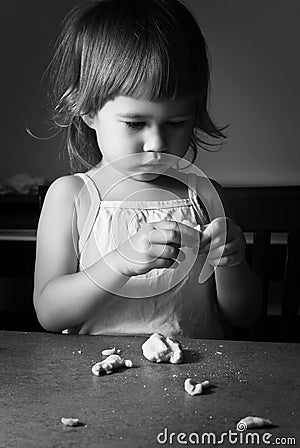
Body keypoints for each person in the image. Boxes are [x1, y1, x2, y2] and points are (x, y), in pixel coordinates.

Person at [34, 0, 262, 338]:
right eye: (135, 123)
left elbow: (245, 314)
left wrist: (231, 263)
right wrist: (120, 261)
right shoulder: (72, 197)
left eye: (176, 122)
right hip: (97, 383)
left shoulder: (203, 195)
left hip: (196, 379)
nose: (156, 142)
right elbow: (49, 313)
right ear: (87, 110)